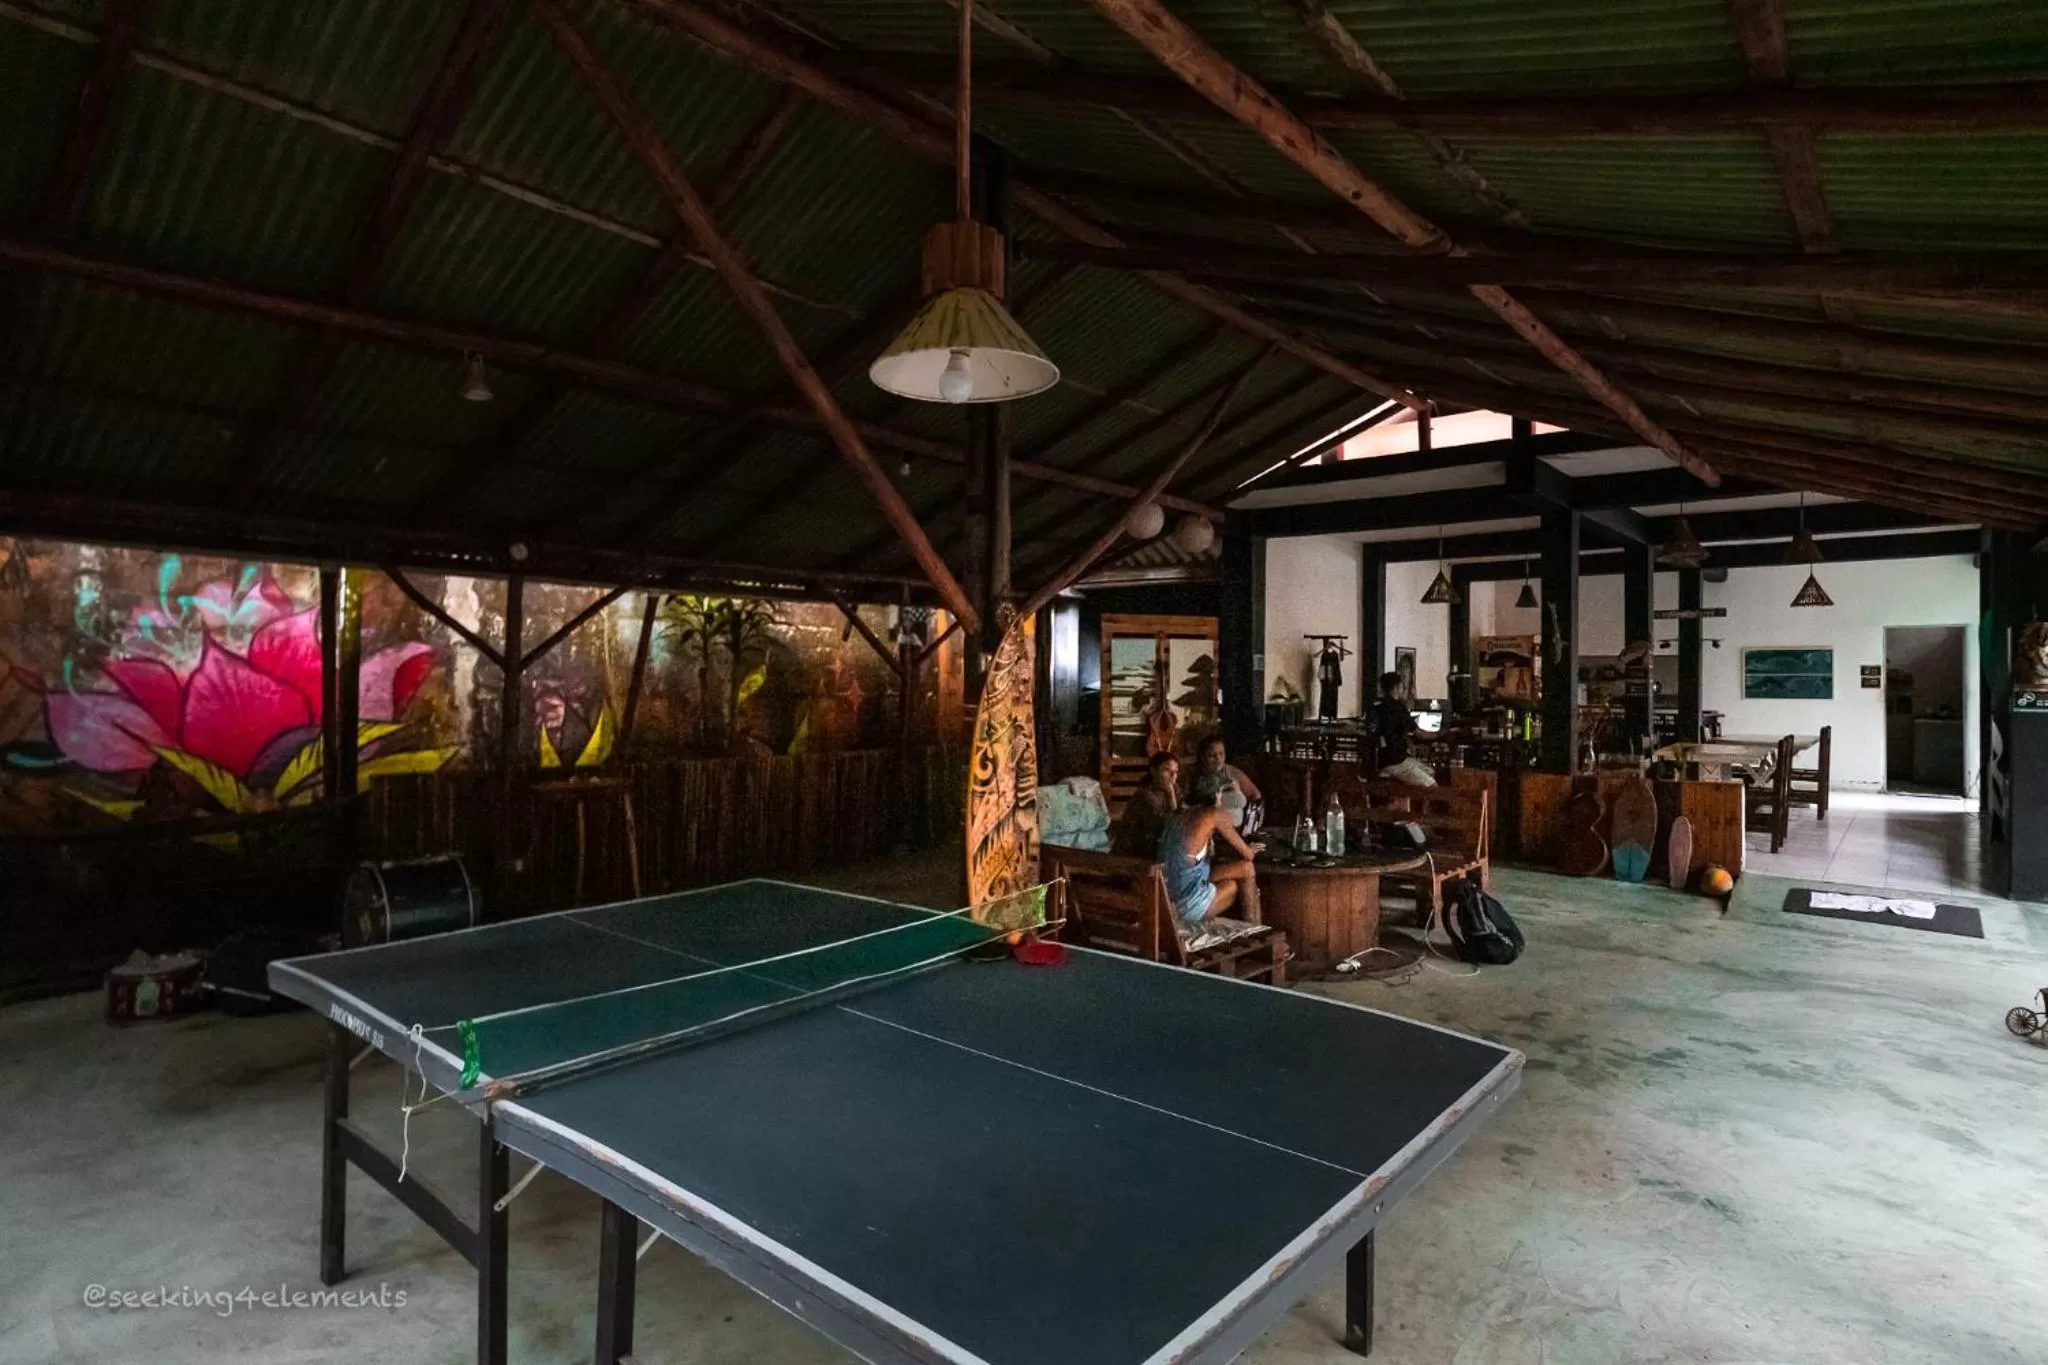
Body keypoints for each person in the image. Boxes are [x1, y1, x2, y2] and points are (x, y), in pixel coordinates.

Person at [1159, 789, 1259, 926]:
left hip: (1168, 898)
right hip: (1185, 906)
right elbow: (1248, 855)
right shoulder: (1212, 814)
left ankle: (1255, 928)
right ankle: (1255, 928)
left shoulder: (1176, 815)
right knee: (1246, 869)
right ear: (1217, 798)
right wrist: (1251, 849)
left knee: (1234, 877)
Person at [1372, 670, 1437, 787]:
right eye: (1402, 686)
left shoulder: (1377, 706)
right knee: (1432, 785)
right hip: (1396, 761)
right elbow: (1420, 734)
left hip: (1381, 759)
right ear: (1396, 687)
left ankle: (1405, 803)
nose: (1404, 688)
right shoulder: (1398, 708)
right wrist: (1442, 733)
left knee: (1430, 772)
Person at [1111, 750, 1181, 857]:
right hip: (1133, 854)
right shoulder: (1144, 796)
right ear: (1153, 771)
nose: (1172, 776)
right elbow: (1168, 827)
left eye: (1175, 772)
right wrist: (1171, 797)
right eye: (1167, 770)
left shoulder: (1174, 791)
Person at [1189, 735, 1263, 831]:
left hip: (1236, 828)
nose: (1218, 759)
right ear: (1202, 757)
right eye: (1212, 755)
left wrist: (1249, 824)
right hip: (1206, 827)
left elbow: (1255, 795)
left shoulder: (1233, 773)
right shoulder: (1195, 776)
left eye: (1221, 754)